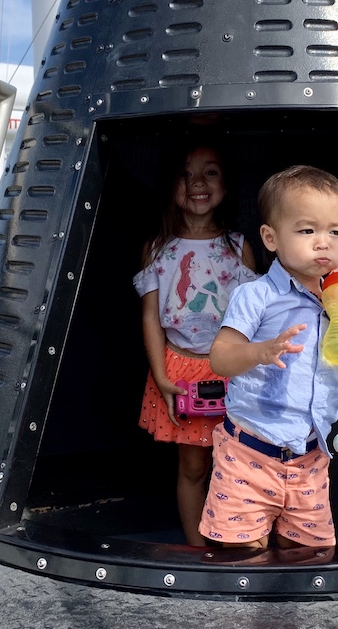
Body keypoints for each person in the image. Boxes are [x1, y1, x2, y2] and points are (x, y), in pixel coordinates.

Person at [202, 165, 338, 548]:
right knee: (241, 555)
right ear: (270, 237)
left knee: (310, 554)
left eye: (336, 231)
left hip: (310, 458)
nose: (324, 243)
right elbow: (220, 358)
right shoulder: (256, 296)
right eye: (307, 230)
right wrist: (260, 352)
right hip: (248, 456)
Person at [132, 142, 258, 546]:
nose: (197, 183)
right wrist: (161, 374)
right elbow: (151, 315)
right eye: (185, 174)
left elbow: (255, 319)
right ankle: (198, 549)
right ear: (171, 185)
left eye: (210, 172)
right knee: (192, 468)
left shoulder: (239, 248)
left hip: (232, 370)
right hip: (180, 369)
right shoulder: (157, 249)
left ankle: (239, 540)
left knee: (239, 462)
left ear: (227, 184)